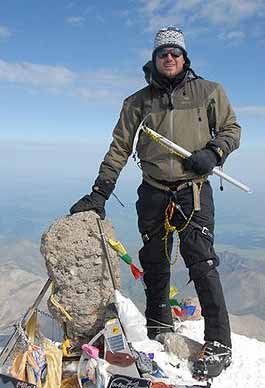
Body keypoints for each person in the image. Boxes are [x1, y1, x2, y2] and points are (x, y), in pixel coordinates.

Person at [70, 26, 241, 379]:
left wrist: (214, 152)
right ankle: (158, 327)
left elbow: (231, 130)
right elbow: (120, 148)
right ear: (154, 58)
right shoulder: (137, 102)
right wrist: (100, 192)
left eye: (175, 53)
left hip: (193, 191)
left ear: (184, 57)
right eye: (163, 53)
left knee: (202, 261)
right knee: (155, 260)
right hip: (153, 191)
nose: (169, 58)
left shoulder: (210, 92)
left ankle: (219, 344)